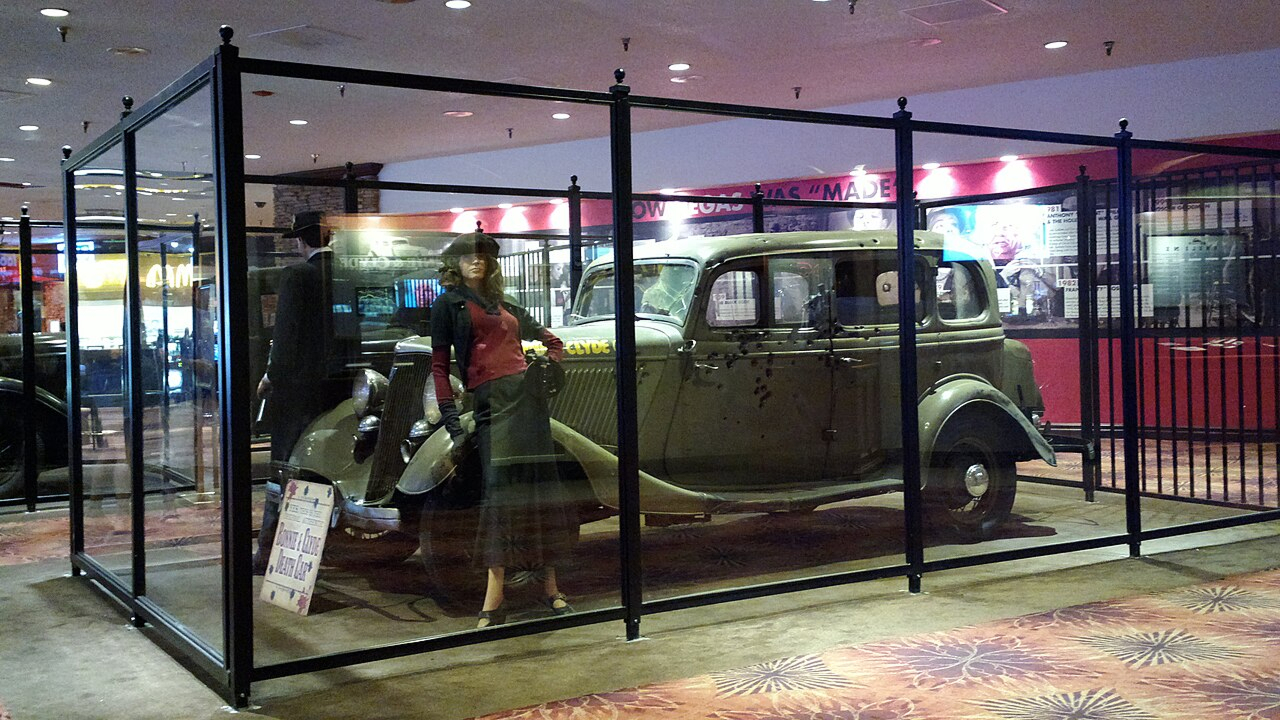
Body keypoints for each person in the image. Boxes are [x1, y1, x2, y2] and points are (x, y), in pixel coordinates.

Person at [429, 231, 577, 628]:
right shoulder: (448, 304)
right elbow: (440, 368)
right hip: (492, 404)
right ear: (455, 266)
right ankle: (495, 597)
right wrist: (450, 419)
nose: (476, 262)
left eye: (483, 257)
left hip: (528, 405)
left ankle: (550, 588)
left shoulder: (506, 305)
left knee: (539, 491)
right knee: (500, 496)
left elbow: (552, 340)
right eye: (468, 257)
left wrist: (548, 369)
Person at [252, 210, 354, 573]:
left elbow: (287, 335)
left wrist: (271, 376)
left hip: (300, 389)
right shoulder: (345, 273)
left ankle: (270, 551)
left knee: (286, 467)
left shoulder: (297, 275)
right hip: (341, 385)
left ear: (300, 240)